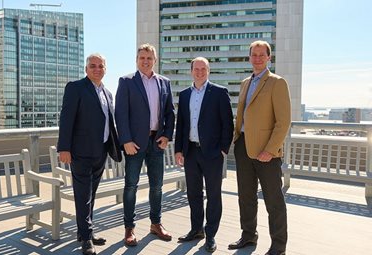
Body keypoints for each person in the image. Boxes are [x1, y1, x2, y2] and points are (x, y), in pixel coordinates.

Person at [228, 40, 291, 255]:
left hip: (267, 152)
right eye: (253, 55)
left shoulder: (277, 82)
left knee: (273, 201)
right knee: (245, 197)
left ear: (268, 58)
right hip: (243, 147)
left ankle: (279, 245)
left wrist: (271, 150)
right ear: (249, 57)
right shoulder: (246, 82)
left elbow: (283, 122)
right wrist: (237, 139)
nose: (257, 58)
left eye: (261, 55)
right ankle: (248, 235)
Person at [57, 53, 122, 255]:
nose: (96, 69)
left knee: (91, 195)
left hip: (100, 152)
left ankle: (84, 232)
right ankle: (86, 239)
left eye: (100, 66)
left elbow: (109, 124)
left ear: (105, 69)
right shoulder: (75, 88)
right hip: (80, 152)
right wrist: (63, 148)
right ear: (86, 69)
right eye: (92, 66)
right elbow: (66, 119)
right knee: (83, 196)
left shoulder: (108, 93)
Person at [115, 43, 175, 246]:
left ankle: (156, 224)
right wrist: (126, 140)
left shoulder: (164, 82)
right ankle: (129, 228)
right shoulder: (126, 81)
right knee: (131, 186)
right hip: (135, 144)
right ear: (137, 60)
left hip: (157, 143)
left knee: (157, 187)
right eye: (142, 58)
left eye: (149, 58)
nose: (146, 61)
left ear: (155, 60)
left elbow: (169, 113)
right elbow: (120, 114)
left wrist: (167, 136)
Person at [175, 57, 234, 253]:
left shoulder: (219, 92)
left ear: (208, 71)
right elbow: (181, 124)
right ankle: (196, 229)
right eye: (196, 69)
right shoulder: (184, 95)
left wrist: (223, 148)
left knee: (214, 194)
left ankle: (211, 235)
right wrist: (178, 150)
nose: (199, 72)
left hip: (212, 153)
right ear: (191, 71)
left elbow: (228, 124)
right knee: (193, 193)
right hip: (191, 151)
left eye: (203, 69)